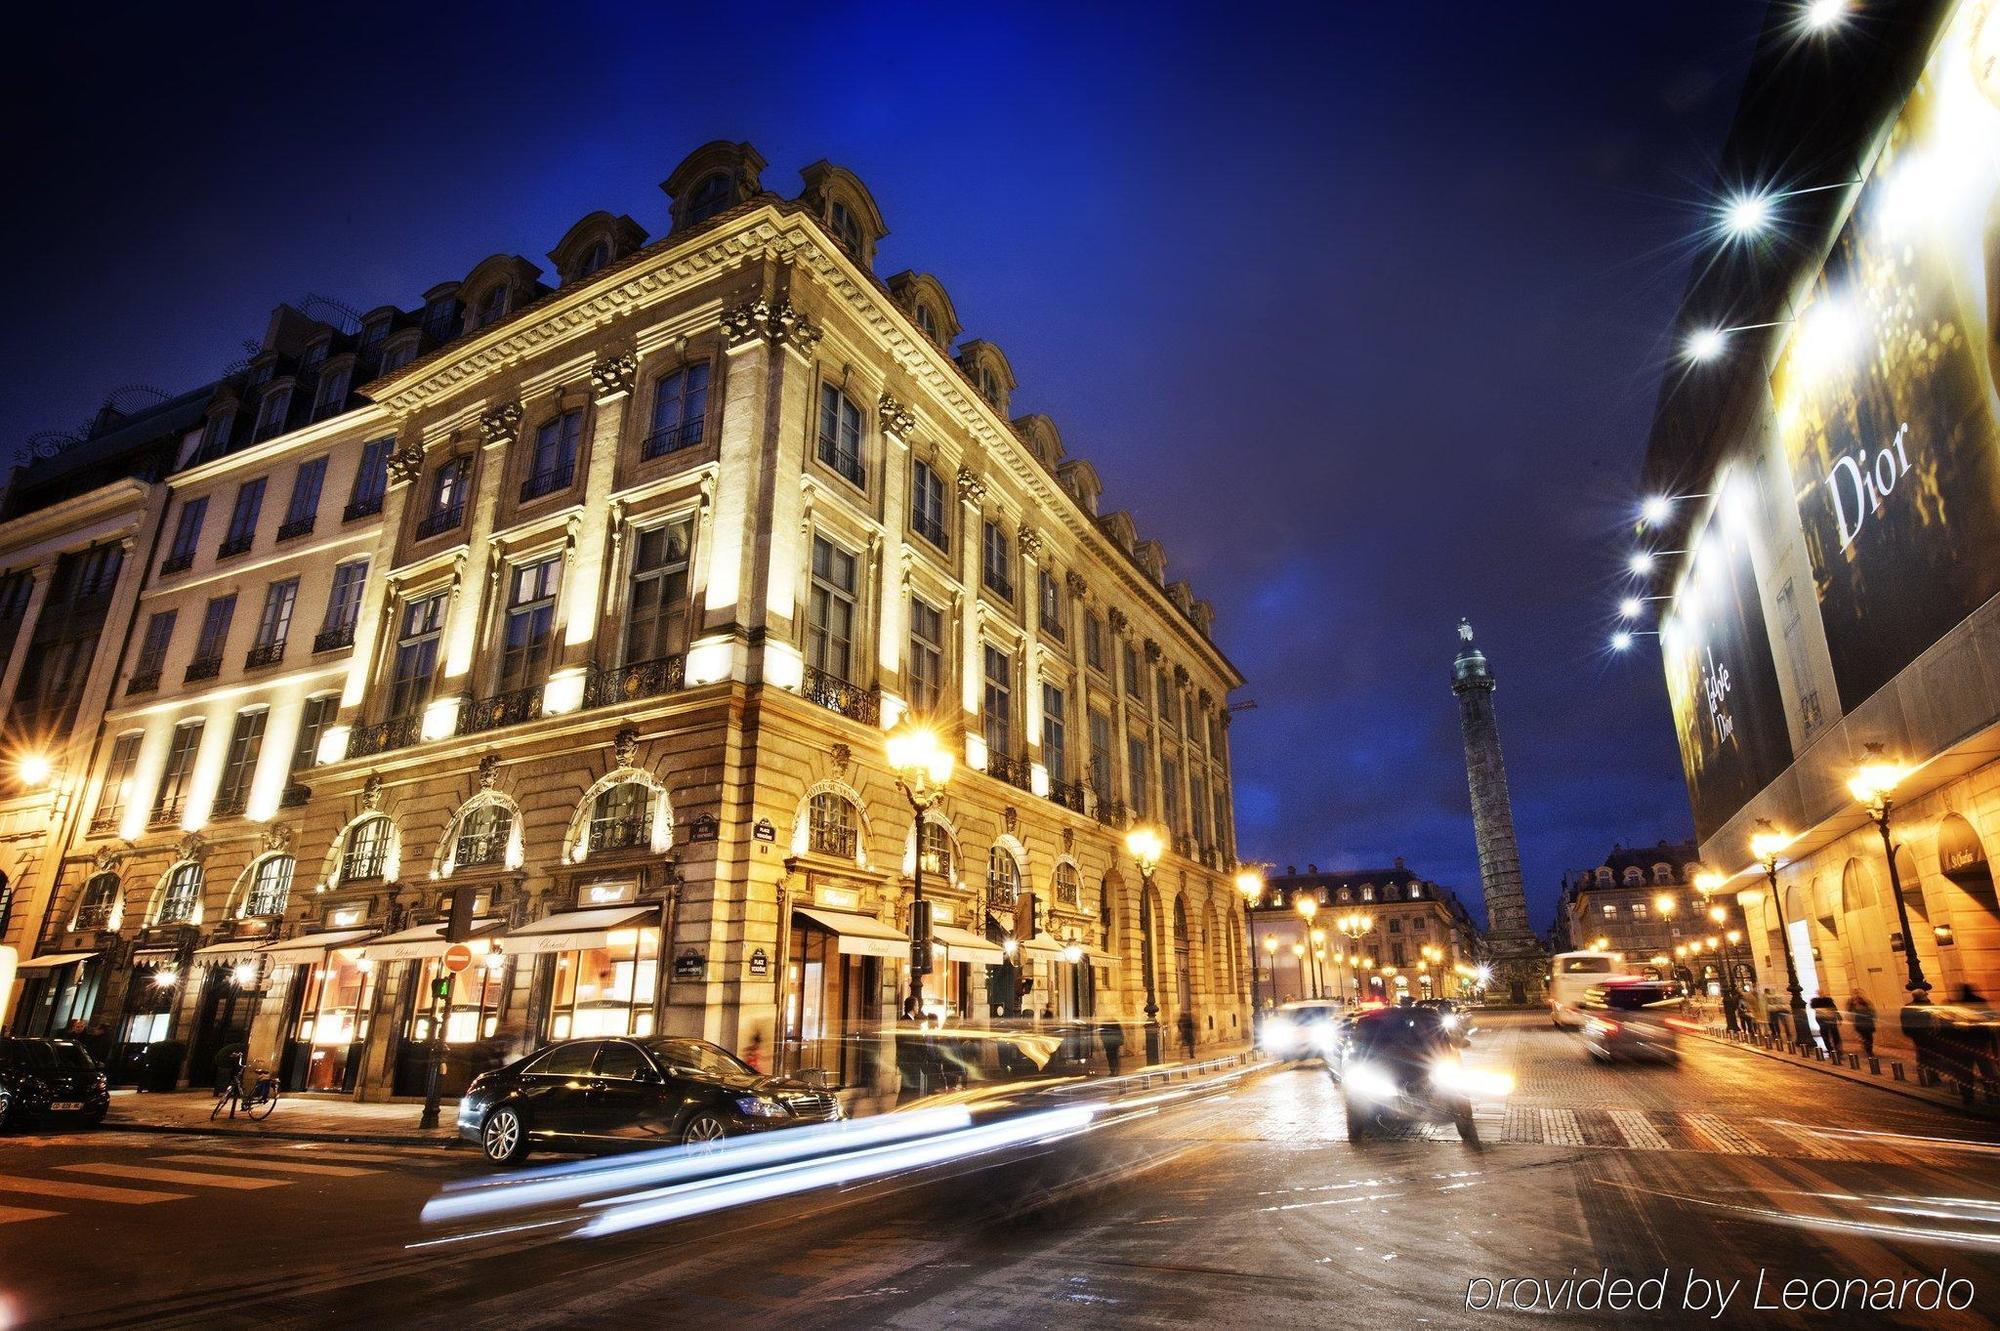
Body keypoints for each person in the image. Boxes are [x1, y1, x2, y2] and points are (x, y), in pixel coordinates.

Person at [1850, 992, 1877, 1058]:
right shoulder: (1854, 1004)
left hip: (1868, 1024)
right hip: (1861, 1025)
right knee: (1867, 1038)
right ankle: (1869, 1051)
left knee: (1869, 1038)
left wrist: (1873, 1018)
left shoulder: (1866, 1003)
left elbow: (1872, 1011)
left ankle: (1868, 1050)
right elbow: (1851, 1012)